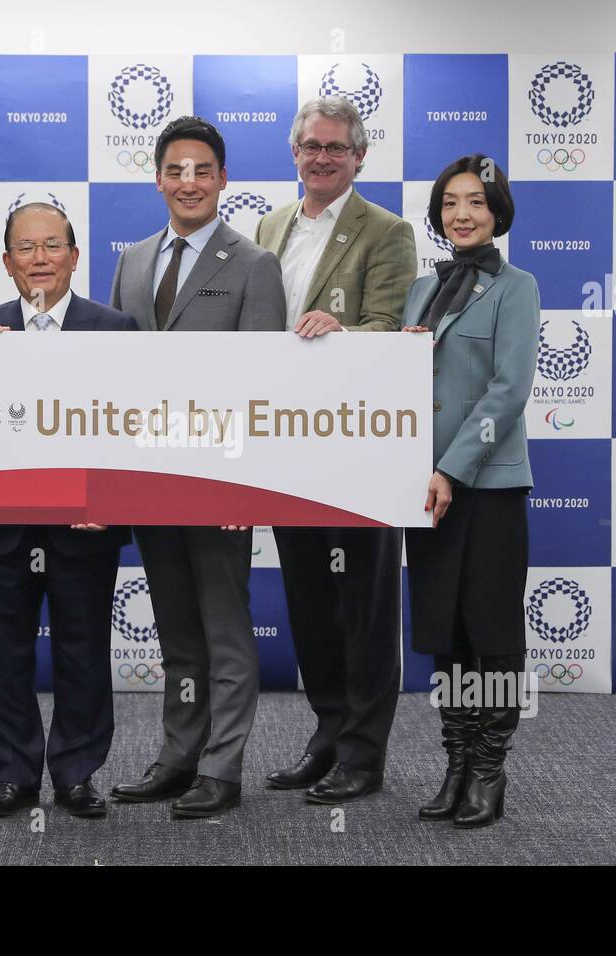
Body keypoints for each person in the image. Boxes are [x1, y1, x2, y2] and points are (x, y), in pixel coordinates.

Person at [108, 115, 286, 818]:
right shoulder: (132, 260)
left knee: (223, 625)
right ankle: (179, 756)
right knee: (177, 629)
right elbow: (112, 370)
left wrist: (248, 479)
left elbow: (264, 383)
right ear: (158, 179)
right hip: (150, 478)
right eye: (175, 170)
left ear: (222, 181)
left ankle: (223, 765)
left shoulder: (253, 264)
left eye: (201, 171)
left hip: (218, 482)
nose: (188, 182)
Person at [0, 203, 137, 820]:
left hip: (86, 524)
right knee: (6, 651)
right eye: (25, 248)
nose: (39, 259)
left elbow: (133, 427)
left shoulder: (115, 327)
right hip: (3, 525)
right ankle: (12, 775)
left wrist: (110, 501)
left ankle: (78, 773)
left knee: (84, 649)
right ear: (7, 263)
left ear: (75, 256)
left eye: (52, 245)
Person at [254, 96, 416, 803]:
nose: (322, 158)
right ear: (295, 153)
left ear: (359, 157)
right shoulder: (270, 224)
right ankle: (326, 736)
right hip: (286, 444)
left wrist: (343, 333)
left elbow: (392, 325)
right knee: (310, 601)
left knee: (365, 603)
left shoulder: (389, 230)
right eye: (311, 147)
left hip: (359, 446)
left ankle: (364, 752)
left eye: (336, 149)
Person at [401, 154, 538, 828]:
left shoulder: (518, 287)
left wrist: (450, 469)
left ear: (497, 212)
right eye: (451, 202)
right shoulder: (420, 291)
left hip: (483, 487)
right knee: (445, 630)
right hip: (421, 490)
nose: (463, 213)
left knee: (492, 631)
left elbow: (507, 392)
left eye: (477, 202)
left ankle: (489, 768)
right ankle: (454, 762)